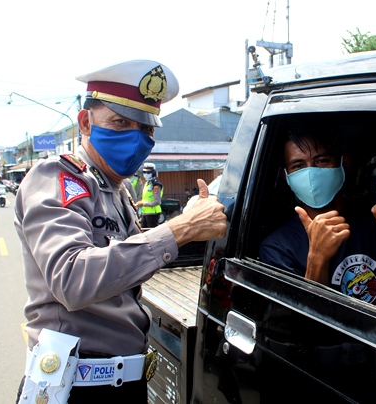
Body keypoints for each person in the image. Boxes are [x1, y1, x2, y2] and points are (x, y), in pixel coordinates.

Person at [14, 59, 227, 403]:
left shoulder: (118, 189)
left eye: (146, 129)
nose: (136, 138)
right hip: (75, 387)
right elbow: (71, 277)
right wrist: (180, 229)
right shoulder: (58, 178)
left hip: (124, 384)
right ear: (86, 121)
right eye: (120, 122)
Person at [259, 126, 376, 308]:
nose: (311, 174)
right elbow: (300, 330)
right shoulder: (277, 248)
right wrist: (317, 259)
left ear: (344, 164)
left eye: (322, 161)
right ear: (286, 176)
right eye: (298, 166)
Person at [136, 162, 163, 228]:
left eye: (148, 173)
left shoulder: (155, 185)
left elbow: (157, 201)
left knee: (152, 234)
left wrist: (143, 204)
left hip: (153, 213)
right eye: (144, 172)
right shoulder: (147, 183)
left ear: (153, 173)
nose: (146, 174)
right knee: (143, 231)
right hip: (145, 212)